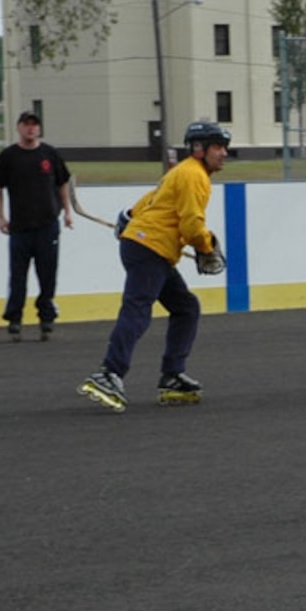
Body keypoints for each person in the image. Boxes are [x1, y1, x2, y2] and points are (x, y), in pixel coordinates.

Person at [76, 121, 231, 413]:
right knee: (137, 310)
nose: (224, 153)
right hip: (150, 248)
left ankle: (172, 375)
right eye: (218, 147)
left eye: (224, 147)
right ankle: (110, 373)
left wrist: (129, 216)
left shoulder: (183, 171)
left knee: (186, 307)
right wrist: (206, 247)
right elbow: (191, 224)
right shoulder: (194, 176)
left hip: (147, 246)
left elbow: (150, 202)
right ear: (199, 149)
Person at [0, 110, 76, 342]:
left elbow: (62, 183)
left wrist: (67, 211)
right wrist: (1, 217)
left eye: (34, 125)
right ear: (19, 127)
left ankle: (46, 316)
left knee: (47, 274)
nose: (31, 129)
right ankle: (14, 318)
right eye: (26, 125)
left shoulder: (50, 155)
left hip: (47, 225)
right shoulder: (8, 156)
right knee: (18, 275)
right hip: (20, 227)